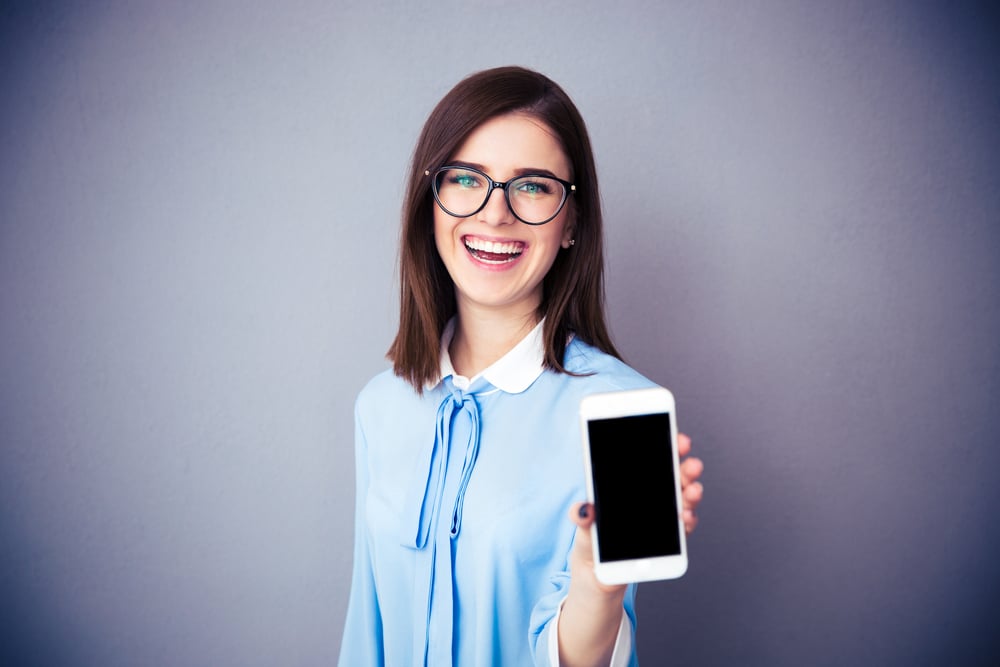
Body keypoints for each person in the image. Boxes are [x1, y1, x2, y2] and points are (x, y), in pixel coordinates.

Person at [339, 66, 704, 667]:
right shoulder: (381, 405)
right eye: (466, 179)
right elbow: (366, 629)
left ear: (572, 223)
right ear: (430, 203)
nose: (494, 215)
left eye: (531, 187)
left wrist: (596, 579)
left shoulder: (620, 411)